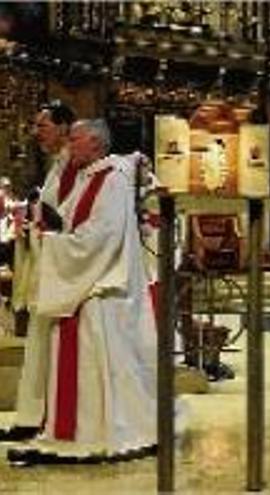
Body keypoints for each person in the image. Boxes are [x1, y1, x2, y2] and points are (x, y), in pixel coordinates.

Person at [7, 119, 157, 465]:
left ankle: (88, 434)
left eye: (75, 139)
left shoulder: (112, 178)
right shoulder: (91, 176)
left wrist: (52, 245)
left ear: (96, 144)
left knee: (87, 349)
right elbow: (72, 223)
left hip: (102, 286)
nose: (69, 145)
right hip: (89, 279)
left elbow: (100, 236)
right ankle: (68, 429)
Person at [0, 101, 76, 443]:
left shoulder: (75, 164)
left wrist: (38, 216)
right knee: (38, 342)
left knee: (47, 343)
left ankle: (40, 417)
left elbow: (69, 216)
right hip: (49, 259)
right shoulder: (58, 163)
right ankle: (32, 416)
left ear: (63, 127)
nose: (36, 132)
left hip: (64, 266)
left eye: (42, 126)